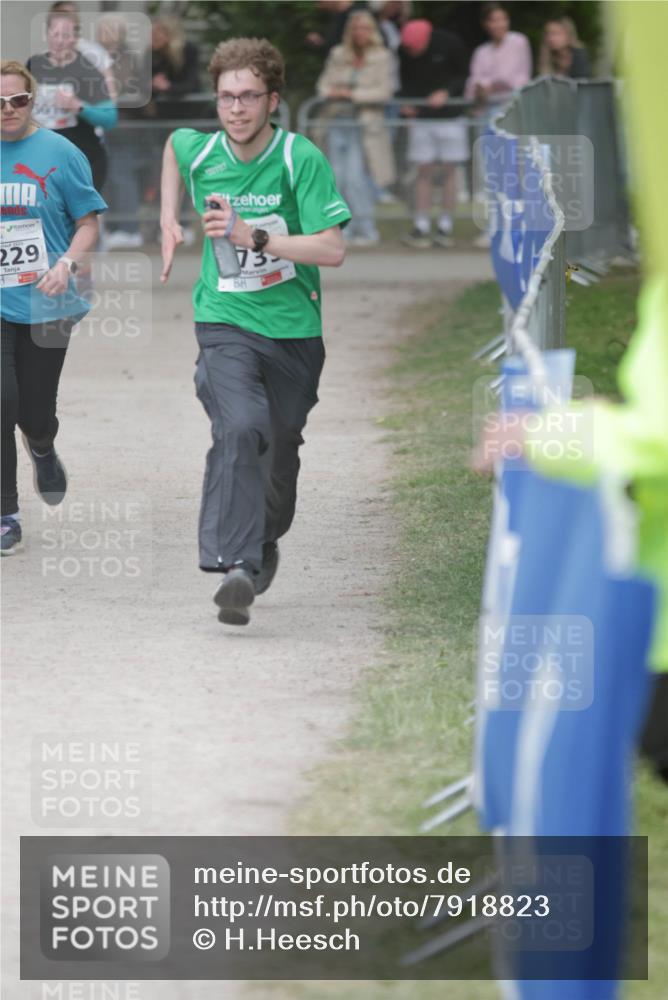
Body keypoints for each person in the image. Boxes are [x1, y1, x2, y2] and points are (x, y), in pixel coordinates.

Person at [159, 37, 351, 626]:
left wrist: (254, 238)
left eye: (248, 97)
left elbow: (332, 249)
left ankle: (262, 541)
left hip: (294, 331)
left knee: (280, 447)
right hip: (224, 320)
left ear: (272, 100)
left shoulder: (300, 159)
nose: (236, 109)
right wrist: (167, 216)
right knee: (241, 426)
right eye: (225, 97)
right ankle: (234, 565)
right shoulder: (201, 151)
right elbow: (172, 146)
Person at [1, 60, 106, 555]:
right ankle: (6, 513)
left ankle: (41, 444)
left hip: (49, 303)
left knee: (33, 409)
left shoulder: (61, 153)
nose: (8, 109)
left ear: (32, 100)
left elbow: (89, 222)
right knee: (1, 402)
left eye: (18, 100)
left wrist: (65, 263)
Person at [317, 10, 395, 245]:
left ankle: (367, 228)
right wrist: (333, 92)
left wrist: (352, 94)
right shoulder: (338, 54)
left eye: (364, 28)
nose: (360, 33)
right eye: (356, 28)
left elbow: (384, 91)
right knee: (337, 178)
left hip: (365, 125)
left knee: (355, 178)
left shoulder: (382, 56)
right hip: (336, 121)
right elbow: (322, 86)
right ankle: (344, 229)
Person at [398, 18, 470, 248]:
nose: (412, 53)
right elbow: (405, 79)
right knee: (423, 170)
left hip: (451, 117)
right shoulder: (404, 51)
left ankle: (445, 225)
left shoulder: (450, 44)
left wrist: (447, 93)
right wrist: (406, 103)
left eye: (415, 48)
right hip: (422, 118)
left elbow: (465, 75)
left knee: (449, 170)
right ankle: (421, 224)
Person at [27, 9, 116, 192]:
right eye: (55, 34)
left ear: (75, 37)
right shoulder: (34, 64)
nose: (60, 41)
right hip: (42, 159)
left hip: (82, 158)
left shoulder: (88, 70)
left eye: (66, 35)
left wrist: (78, 107)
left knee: (79, 219)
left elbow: (110, 118)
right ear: (47, 35)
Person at [97, 13, 145, 249]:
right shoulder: (94, 55)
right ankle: (111, 227)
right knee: (103, 178)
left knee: (122, 176)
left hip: (122, 126)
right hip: (99, 125)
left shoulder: (128, 58)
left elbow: (124, 88)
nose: (101, 34)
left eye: (107, 29)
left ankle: (129, 229)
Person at [465, 3, 531, 109]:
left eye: (503, 19)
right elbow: (473, 83)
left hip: (515, 106)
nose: (500, 25)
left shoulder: (518, 41)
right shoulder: (481, 52)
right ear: (485, 24)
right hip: (488, 110)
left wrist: (486, 85)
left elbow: (511, 78)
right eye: (494, 21)